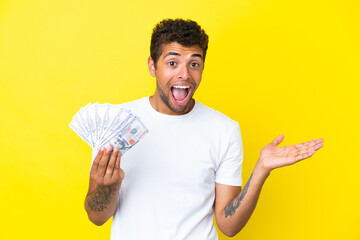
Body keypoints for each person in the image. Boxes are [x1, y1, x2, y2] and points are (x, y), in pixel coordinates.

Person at [84, 18, 324, 239]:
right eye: (172, 62)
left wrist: (261, 169)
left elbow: (228, 226)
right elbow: (96, 217)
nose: (184, 74)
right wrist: (109, 185)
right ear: (152, 66)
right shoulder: (116, 123)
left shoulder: (225, 130)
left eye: (194, 63)